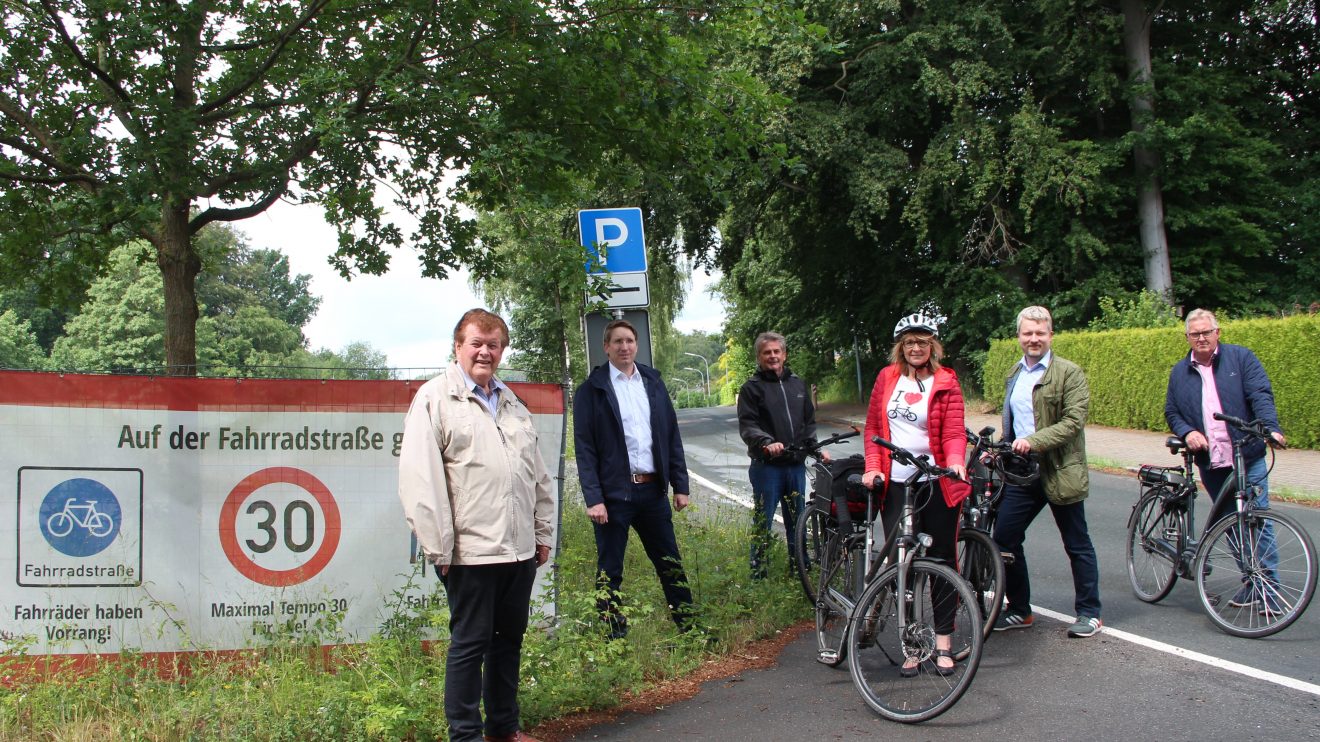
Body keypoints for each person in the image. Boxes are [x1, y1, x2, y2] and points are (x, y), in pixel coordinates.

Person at [397, 308, 555, 742]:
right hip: (470, 552)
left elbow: (537, 474)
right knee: (469, 647)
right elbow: (420, 480)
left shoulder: (511, 401)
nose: (485, 352)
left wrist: (542, 534)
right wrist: (440, 548)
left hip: (519, 550)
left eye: (494, 345)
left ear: (502, 350)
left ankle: (504, 729)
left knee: (508, 643)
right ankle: (465, 735)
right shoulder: (434, 399)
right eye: (477, 344)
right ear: (457, 347)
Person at [862, 312, 970, 676]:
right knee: (903, 561)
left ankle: (943, 643)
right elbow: (874, 428)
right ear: (900, 347)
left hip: (935, 481)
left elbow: (955, 431)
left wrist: (955, 461)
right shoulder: (886, 378)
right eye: (909, 342)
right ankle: (911, 644)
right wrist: (873, 466)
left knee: (940, 559)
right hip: (896, 484)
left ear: (933, 346)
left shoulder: (946, 381)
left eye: (922, 342)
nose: (916, 348)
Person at [574, 319, 696, 639]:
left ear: (636, 345)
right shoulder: (592, 390)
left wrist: (680, 486)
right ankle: (615, 637)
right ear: (606, 347)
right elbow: (584, 450)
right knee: (610, 570)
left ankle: (690, 627)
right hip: (614, 496)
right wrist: (594, 498)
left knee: (670, 562)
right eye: (617, 342)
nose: (624, 347)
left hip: (653, 491)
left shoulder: (653, 382)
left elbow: (670, 436)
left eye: (629, 341)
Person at [991, 305, 1102, 638]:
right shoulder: (1015, 374)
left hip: (1059, 468)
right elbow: (1013, 424)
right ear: (1019, 337)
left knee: (1076, 542)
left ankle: (1090, 613)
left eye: (1040, 333)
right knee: (1004, 539)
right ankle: (1020, 609)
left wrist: (1033, 441)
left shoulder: (1069, 373)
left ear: (1050, 335)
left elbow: (1072, 423)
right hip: (1021, 471)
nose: (1034, 338)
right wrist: (1001, 446)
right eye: (1028, 333)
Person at [1164, 308, 1286, 610]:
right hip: (1213, 461)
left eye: (1207, 332)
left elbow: (1260, 395)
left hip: (1247, 454)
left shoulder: (1241, 358)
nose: (1202, 338)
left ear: (1217, 333)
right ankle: (1251, 581)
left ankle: (1269, 589)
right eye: (1195, 334)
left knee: (1257, 520)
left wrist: (1270, 428)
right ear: (1188, 337)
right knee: (1230, 523)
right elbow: (1172, 411)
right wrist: (1187, 431)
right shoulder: (1180, 372)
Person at [737, 331, 828, 579]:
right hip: (767, 467)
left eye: (777, 351)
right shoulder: (751, 389)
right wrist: (767, 442)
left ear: (784, 355)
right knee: (763, 520)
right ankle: (759, 574)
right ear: (759, 357)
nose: (773, 356)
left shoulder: (797, 384)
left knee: (797, 520)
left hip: (795, 466)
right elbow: (748, 425)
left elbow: (808, 423)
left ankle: (800, 569)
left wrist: (817, 449)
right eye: (767, 352)